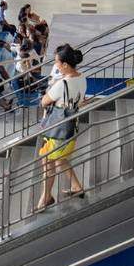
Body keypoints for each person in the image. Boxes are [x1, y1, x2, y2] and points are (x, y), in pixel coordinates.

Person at [35, 44, 87, 211]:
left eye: (57, 62)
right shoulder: (82, 78)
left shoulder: (61, 84)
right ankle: (76, 186)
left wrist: (54, 85)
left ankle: (46, 198)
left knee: (48, 163)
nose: (55, 65)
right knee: (62, 159)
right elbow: (81, 100)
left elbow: (44, 102)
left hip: (56, 131)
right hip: (71, 127)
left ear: (65, 65)